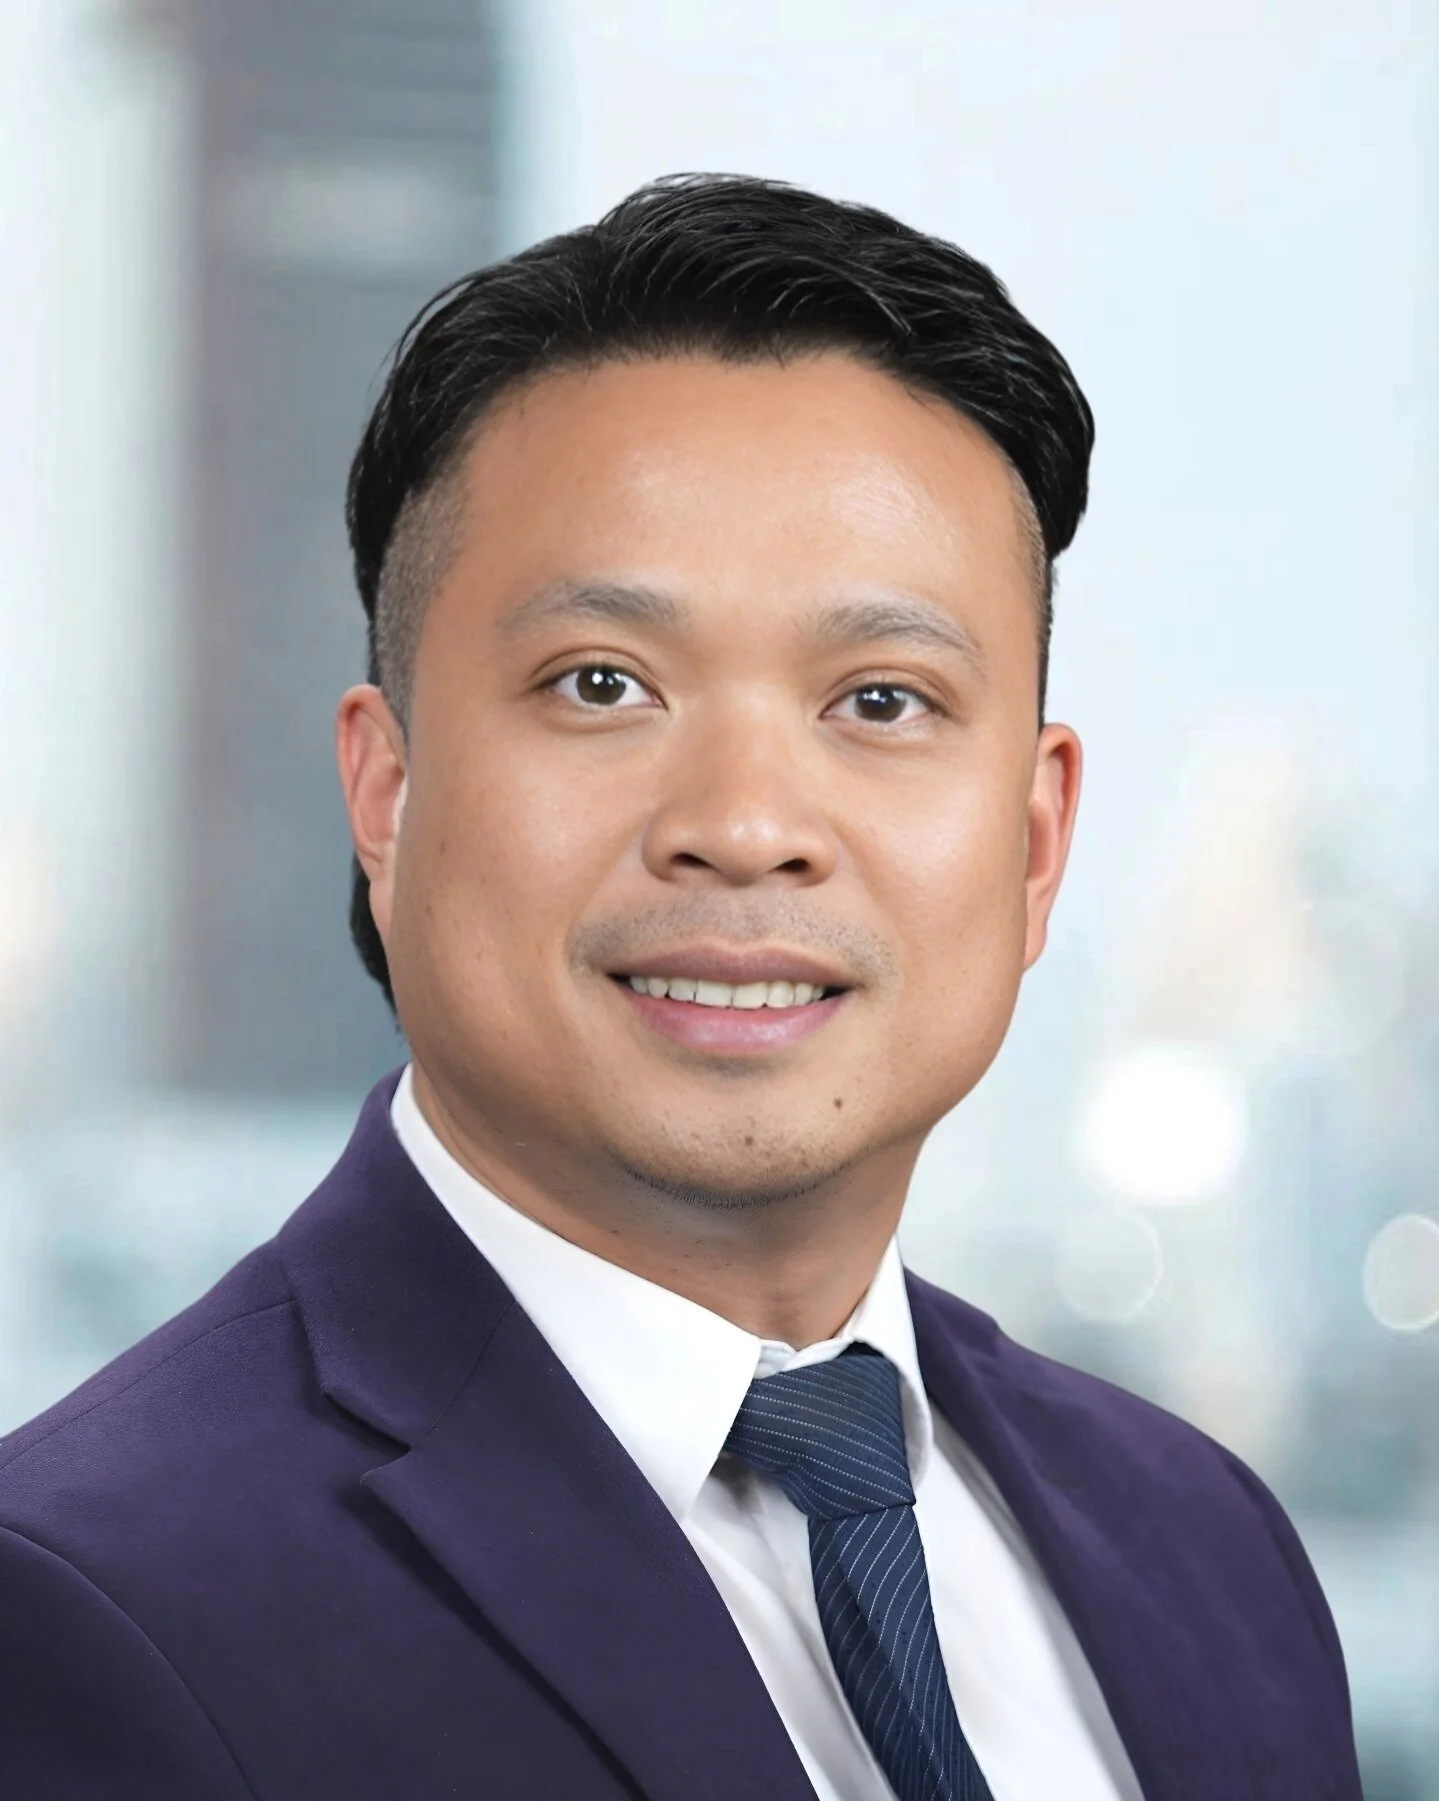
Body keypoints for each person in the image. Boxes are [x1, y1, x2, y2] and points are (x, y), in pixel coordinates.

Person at [0, 175, 1361, 1801]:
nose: (744, 825)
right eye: (602, 684)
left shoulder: (1206, 1544)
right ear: (386, 793)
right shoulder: (82, 1607)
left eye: (880, 700)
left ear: (1033, 838)